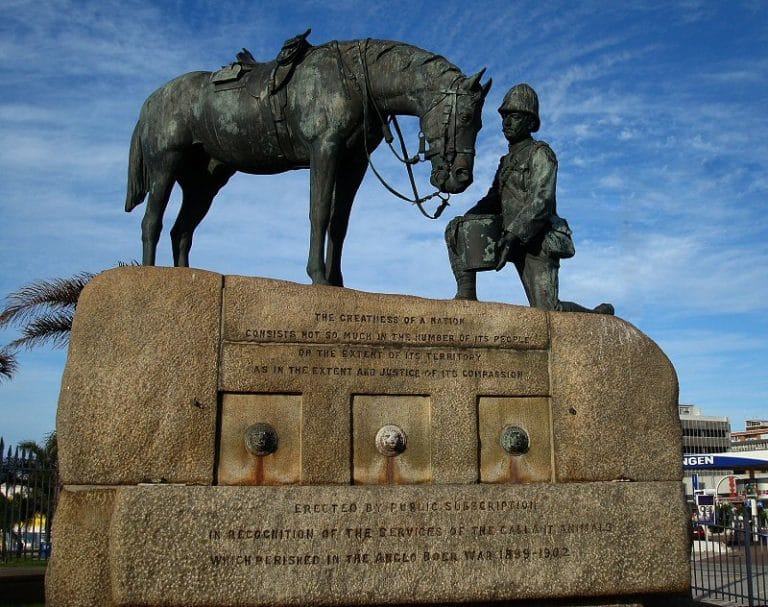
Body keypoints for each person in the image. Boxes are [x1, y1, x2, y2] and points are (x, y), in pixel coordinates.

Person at [445, 83, 614, 314]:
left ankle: (594, 316)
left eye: (514, 117)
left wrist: (514, 234)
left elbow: (541, 201)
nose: (507, 122)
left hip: (536, 240)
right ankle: (466, 294)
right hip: (506, 236)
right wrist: (467, 218)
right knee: (456, 229)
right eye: (504, 117)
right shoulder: (506, 161)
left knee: (548, 311)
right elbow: (493, 199)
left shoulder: (541, 153)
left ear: (531, 123)